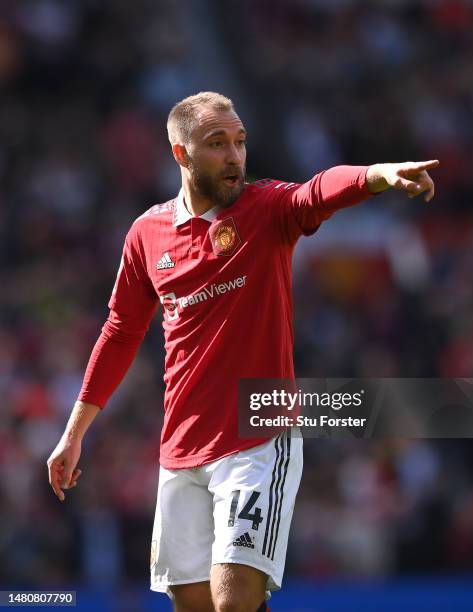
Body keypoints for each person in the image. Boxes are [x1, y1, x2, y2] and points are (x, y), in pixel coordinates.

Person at [47, 91, 438, 612]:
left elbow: (318, 192)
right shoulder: (147, 234)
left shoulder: (266, 209)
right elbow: (120, 331)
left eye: (240, 142)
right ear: (181, 155)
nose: (234, 156)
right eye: (216, 144)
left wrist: (378, 174)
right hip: (180, 448)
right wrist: (74, 433)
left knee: (234, 599)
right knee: (196, 607)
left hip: (256, 439)